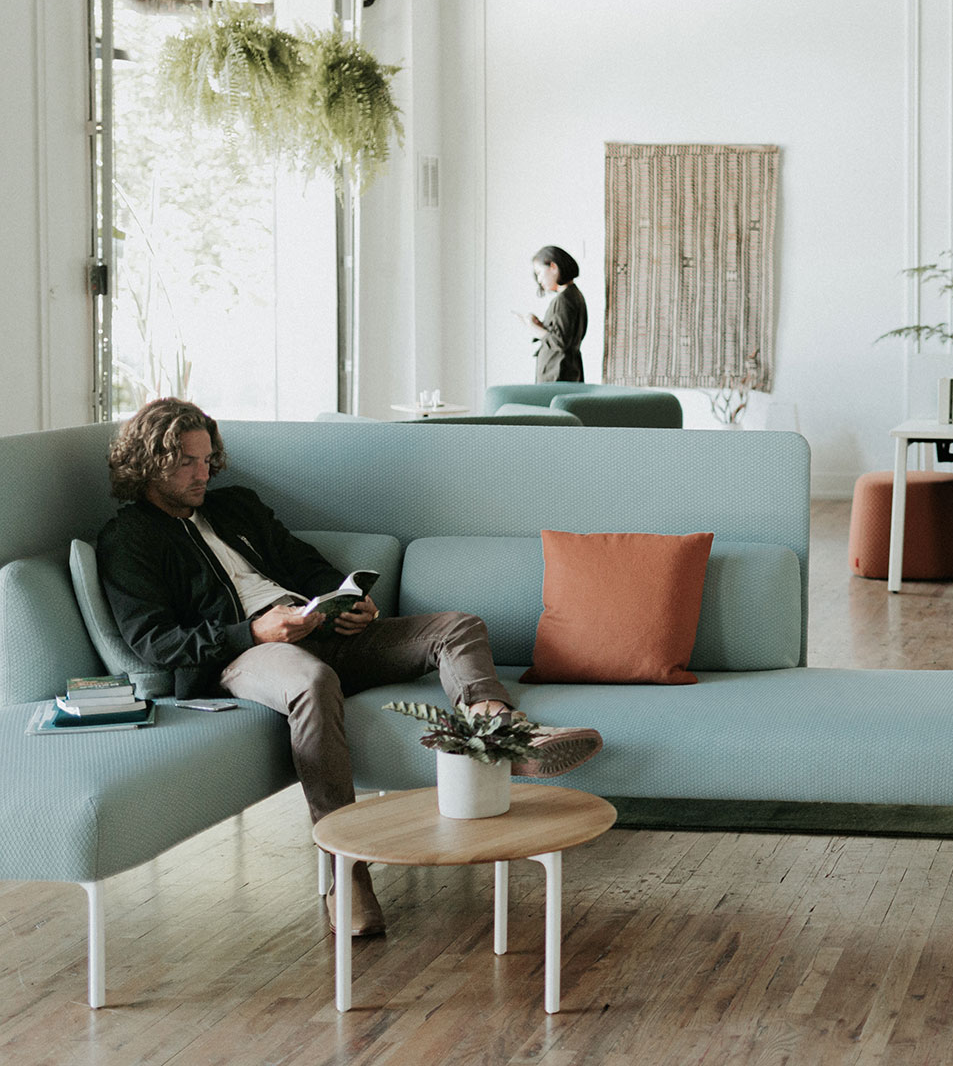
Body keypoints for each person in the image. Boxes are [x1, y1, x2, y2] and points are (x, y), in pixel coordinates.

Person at [95, 398, 602, 938]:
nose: (204, 473)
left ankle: (501, 731)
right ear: (149, 465)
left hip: (316, 629)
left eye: (206, 459)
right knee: (313, 682)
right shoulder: (128, 539)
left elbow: (302, 563)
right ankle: (347, 871)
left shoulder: (236, 506)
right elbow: (154, 641)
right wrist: (253, 632)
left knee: (457, 627)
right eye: (186, 464)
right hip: (243, 655)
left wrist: (346, 599)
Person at [524, 245, 587, 383]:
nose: (539, 280)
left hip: (557, 374)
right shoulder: (574, 295)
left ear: (553, 267)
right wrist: (542, 326)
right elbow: (563, 334)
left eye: (539, 273)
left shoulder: (564, 299)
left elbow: (560, 341)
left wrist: (534, 328)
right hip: (566, 371)